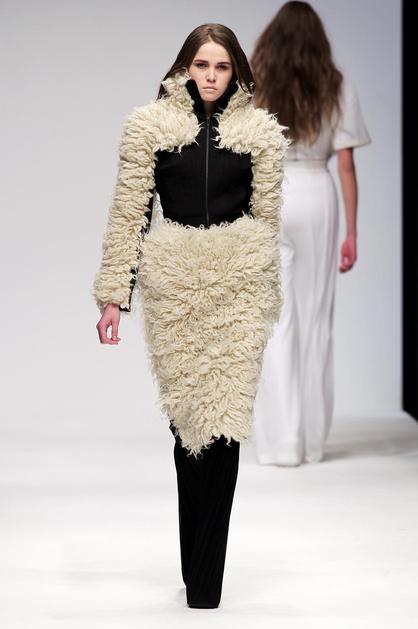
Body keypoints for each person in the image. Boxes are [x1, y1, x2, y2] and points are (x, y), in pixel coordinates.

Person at [92, 24, 288, 608]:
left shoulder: (260, 134)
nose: (210, 76)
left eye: (221, 67)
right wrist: (114, 296)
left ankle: (206, 584)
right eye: (202, 64)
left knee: (225, 427)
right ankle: (193, 564)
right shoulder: (149, 127)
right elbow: (130, 212)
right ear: (184, 67)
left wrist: (265, 291)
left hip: (238, 286)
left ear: (236, 72)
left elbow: (267, 219)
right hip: (175, 288)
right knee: (188, 432)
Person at [250, 1, 371, 466]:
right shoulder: (335, 84)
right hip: (318, 190)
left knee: (275, 318)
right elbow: (347, 162)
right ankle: (312, 442)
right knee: (315, 317)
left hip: (271, 192)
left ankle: (281, 443)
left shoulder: (258, 81)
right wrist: (352, 232)